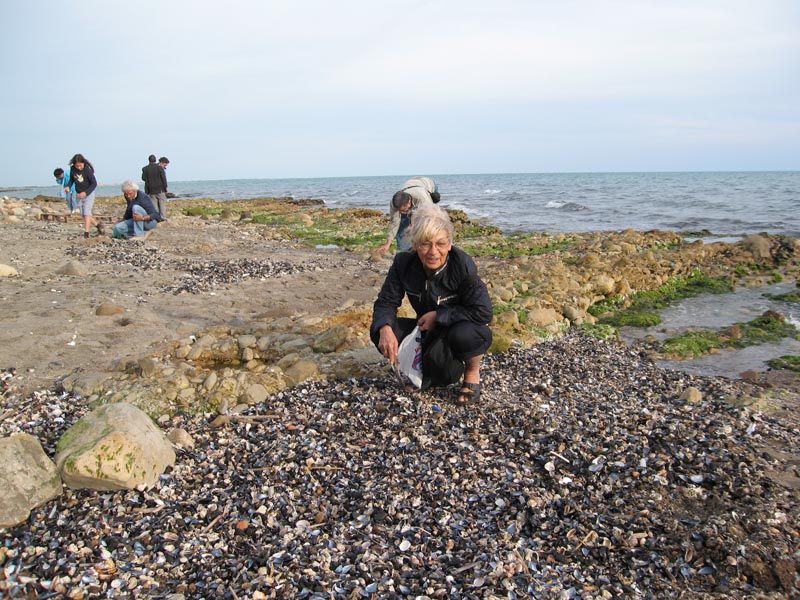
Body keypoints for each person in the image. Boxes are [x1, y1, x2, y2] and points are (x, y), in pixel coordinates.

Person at [371, 204, 492, 404]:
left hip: (459, 329)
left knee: (451, 359)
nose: (433, 252)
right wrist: (384, 328)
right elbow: (386, 301)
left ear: (450, 243)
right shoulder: (403, 264)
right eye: (425, 244)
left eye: (440, 244)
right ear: (415, 244)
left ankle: (471, 374)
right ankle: (415, 372)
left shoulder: (462, 266)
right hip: (426, 330)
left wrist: (439, 316)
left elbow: (483, 312)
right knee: (381, 330)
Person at [377, 176, 440, 254]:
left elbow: (430, 217)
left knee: (425, 224)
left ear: (409, 202)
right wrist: (388, 243)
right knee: (402, 225)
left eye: (404, 210)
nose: (402, 212)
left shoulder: (423, 198)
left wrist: (414, 225)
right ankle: (405, 252)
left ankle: (425, 249)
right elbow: (394, 222)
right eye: (400, 211)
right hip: (411, 184)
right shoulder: (394, 203)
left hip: (428, 185)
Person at [64, 153, 104, 238]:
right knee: (84, 215)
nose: (79, 168)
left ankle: (86, 233)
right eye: (77, 166)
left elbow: (94, 183)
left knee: (86, 213)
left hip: (88, 193)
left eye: (80, 166)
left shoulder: (87, 170)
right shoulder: (73, 169)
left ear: (83, 163)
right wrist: (68, 186)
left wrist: (85, 193)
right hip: (79, 194)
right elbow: (72, 179)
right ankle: (98, 226)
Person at [141, 154, 169, 220]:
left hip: (150, 189)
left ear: (149, 160)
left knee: (154, 204)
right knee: (162, 203)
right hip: (160, 188)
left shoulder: (145, 168)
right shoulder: (159, 168)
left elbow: (143, 178)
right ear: (155, 160)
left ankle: (156, 217)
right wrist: (165, 187)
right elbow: (163, 178)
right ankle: (163, 217)